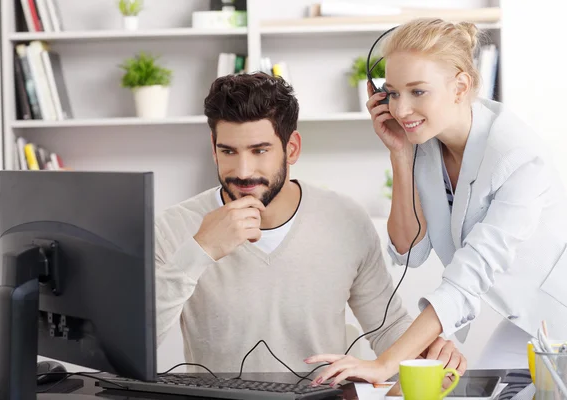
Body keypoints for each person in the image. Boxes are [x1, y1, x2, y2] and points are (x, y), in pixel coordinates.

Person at [306, 18, 567, 386]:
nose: (400, 109)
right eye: (393, 93)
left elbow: (470, 274)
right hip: (524, 319)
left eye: (418, 92)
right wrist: (400, 154)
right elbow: (410, 249)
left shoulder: (518, 156)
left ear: (460, 86)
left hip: (560, 314)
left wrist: (383, 364)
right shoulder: (424, 144)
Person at [154, 72, 466, 375]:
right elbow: (133, 343)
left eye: (260, 150)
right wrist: (200, 250)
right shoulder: (175, 228)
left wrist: (429, 353)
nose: (244, 170)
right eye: (228, 151)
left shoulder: (345, 220)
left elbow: (386, 327)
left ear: (292, 149)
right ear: (214, 149)